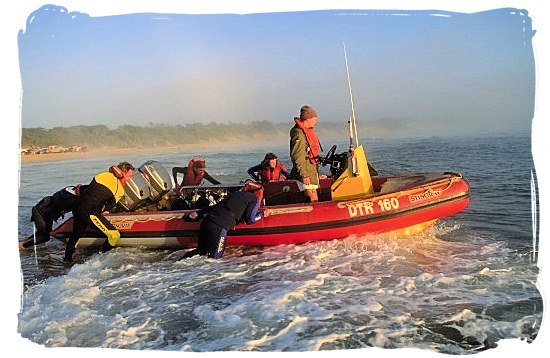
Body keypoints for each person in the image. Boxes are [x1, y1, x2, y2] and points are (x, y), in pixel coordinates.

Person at [179, 181, 270, 259]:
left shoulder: (235, 194)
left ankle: (179, 263)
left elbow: (215, 206)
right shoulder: (253, 199)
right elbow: (250, 219)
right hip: (219, 227)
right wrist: (262, 214)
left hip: (207, 221)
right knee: (215, 258)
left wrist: (198, 213)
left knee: (200, 251)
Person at [64, 162, 135, 262]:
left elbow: (90, 190)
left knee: (76, 235)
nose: (129, 179)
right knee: (114, 235)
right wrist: (104, 211)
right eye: (129, 176)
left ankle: (67, 260)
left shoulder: (102, 175)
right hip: (89, 212)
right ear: (122, 174)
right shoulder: (119, 189)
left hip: (77, 207)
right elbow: (109, 206)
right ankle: (100, 260)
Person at [19, 185, 85, 250]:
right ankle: (22, 246)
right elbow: (77, 217)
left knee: (42, 232)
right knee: (45, 237)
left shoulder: (71, 190)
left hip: (44, 210)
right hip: (41, 212)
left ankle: (25, 240)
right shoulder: (72, 200)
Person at [289, 105, 325, 202]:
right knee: (312, 198)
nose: (316, 121)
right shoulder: (299, 135)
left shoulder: (306, 132)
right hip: (305, 171)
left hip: (311, 169)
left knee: (314, 195)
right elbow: (298, 156)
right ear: (308, 119)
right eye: (314, 119)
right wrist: (304, 175)